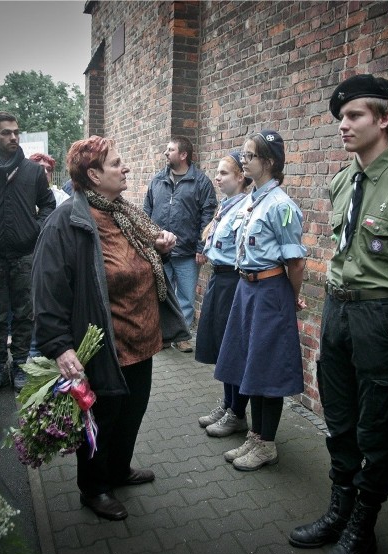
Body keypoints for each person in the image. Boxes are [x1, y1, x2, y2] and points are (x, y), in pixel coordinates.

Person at [289, 75, 388, 554]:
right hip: (338, 308)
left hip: (379, 313)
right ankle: (339, 507)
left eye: (354, 116)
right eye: (341, 118)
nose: (343, 125)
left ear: (385, 119)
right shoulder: (343, 179)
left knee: (375, 427)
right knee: (340, 419)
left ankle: (363, 525)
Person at [32, 135, 189, 521]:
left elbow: (139, 261)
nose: (126, 168)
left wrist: (161, 249)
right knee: (102, 420)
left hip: (143, 338)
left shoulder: (124, 213)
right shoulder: (67, 222)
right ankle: (95, 488)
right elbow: (46, 290)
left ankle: (119, 469)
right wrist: (60, 346)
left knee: (132, 413)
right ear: (92, 174)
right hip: (105, 345)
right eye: (117, 163)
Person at [215, 130, 307, 472]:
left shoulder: (281, 205)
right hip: (248, 289)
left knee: (267, 369)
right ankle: (255, 434)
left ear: (268, 162)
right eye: (243, 154)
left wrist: (290, 299)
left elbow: (296, 262)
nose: (243, 159)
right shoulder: (252, 199)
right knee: (251, 365)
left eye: (250, 155)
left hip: (270, 291)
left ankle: (267, 444)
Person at [0, 111, 56, 394]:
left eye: (16, 132)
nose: (14, 137)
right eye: (6, 133)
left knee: (24, 314)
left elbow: (47, 203)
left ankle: (19, 364)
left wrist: (37, 228)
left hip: (25, 253)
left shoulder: (32, 171)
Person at [195, 151, 252, 437]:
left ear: (241, 177)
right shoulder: (227, 205)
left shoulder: (245, 209)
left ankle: (237, 412)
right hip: (219, 278)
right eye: (218, 173)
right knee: (221, 344)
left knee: (234, 347)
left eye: (224, 173)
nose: (217, 177)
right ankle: (228, 403)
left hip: (232, 280)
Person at [144, 135, 217, 352]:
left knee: (185, 296)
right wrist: (149, 242)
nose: (166, 153)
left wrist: (201, 248)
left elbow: (208, 217)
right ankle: (163, 336)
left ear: (183, 155)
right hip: (160, 250)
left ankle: (182, 336)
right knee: (160, 294)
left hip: (186, 252)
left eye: (171, 150)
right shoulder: (157, 180)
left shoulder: (201, 182)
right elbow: (146, 212)